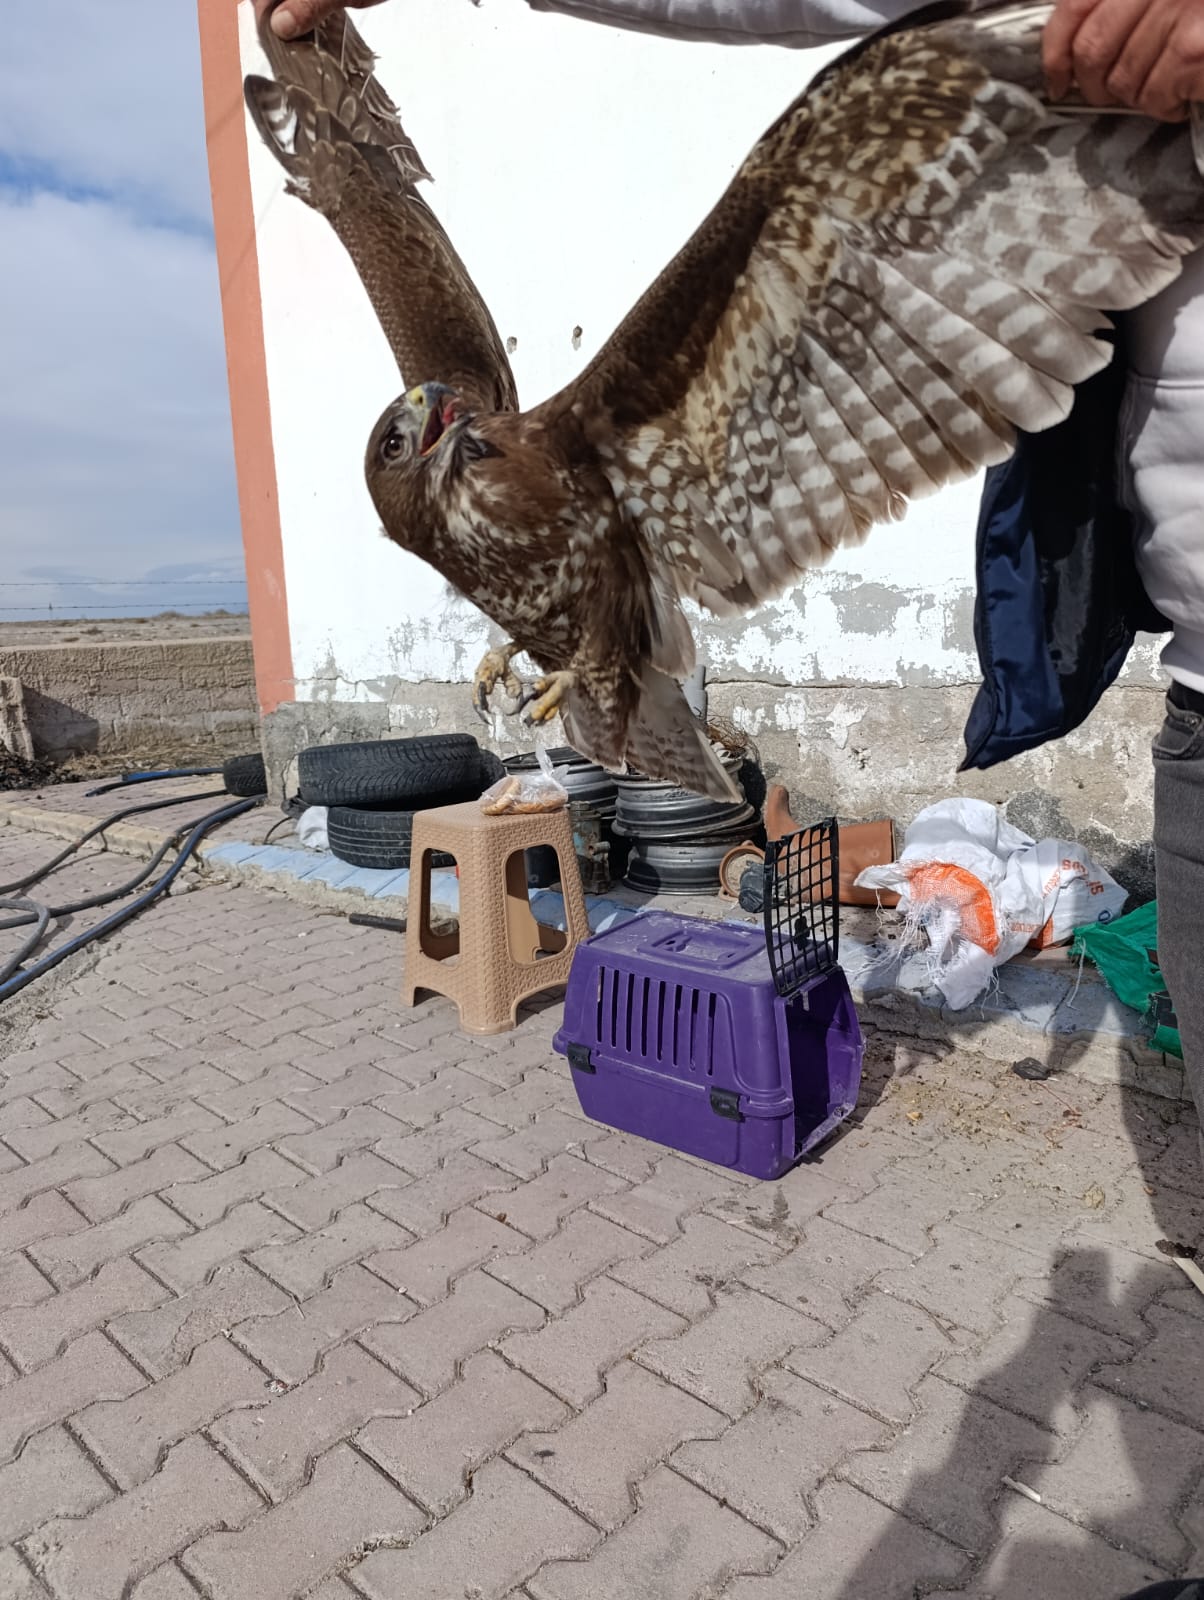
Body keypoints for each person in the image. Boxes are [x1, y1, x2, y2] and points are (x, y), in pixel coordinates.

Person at [252, 0, 1204, 1159]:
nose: (440, 411)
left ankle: (586, 670)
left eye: (438, 409)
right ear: (397, 493)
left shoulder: (577, 429)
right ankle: (569, 672)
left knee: (847, 124)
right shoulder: (445, 486)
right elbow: (368, 201)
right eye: (414, 436)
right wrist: (316, 72)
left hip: (627, 633)